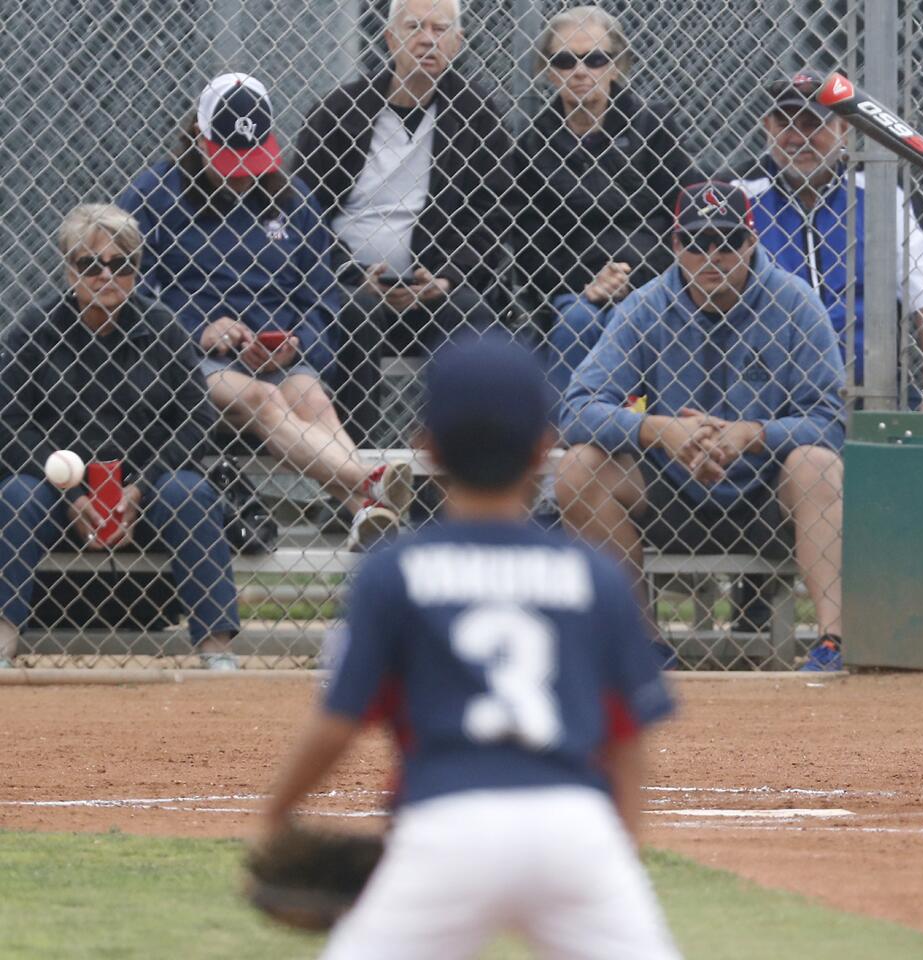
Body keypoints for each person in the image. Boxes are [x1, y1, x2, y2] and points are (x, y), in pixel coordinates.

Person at [259, 335, 680, 958]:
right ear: (544, 448)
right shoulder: (595, 575)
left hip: (443, 826)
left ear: (426, 447)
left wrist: (275, 814)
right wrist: (620, 858)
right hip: (573, 830)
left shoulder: (392, 572)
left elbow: (338, 725)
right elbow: (627, 741)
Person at [554, 182, 848, 672]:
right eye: (695, 242)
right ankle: (642, 648)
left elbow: (831, 422)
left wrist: (751, 435)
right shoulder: (646, 305)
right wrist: (661, 431)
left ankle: (833, 643)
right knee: (579, 469)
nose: (712, 255)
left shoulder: (796, 303)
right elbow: (577, 408)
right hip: (671, 490)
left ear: (752, 242)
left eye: (728, 241)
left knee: (817, 464)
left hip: (766, 496)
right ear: (674, 246)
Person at [121, 73, 412, 551]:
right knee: (262, 401)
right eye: (227, 162)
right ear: (198, 135)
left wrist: (297, 342)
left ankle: (366, 511)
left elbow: (321, 294)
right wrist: (198, 329)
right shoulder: (155, 194)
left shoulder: (293, 198)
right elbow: (134, 291)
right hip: (193, 359)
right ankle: (367, 481)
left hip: (277, 351)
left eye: (250, 162)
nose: (240, 176)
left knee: (313, 399)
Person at [0, 204, 240, 669]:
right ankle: (1, 642)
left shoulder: (163, 329)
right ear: (69, 270)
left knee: (190, 493)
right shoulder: (34, 332)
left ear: (136, 269)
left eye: (122, 264)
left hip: (143, 490)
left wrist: (140, 487)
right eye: (90, 264)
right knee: (15, 495)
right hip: (56, 491)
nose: (105, 275)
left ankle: (217, 653)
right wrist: (65, 491)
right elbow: (5, 422)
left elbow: (196, 419)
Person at [294, 0, 511, 447]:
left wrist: (448, 275)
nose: (426, 39)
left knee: (472, 315)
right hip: (353, 287)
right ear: (391, 38)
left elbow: (490, 214)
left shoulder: (479, 116)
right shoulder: (340, 111)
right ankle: (359, 476)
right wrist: (348, 273)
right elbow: (303, 210)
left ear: (458, 43)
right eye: (413, 27)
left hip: (434, 285)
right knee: (356, 314)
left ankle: (453, 473)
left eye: (439, 28)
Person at [725, 71, 923, 410]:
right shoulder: (739, 193)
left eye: (812, 124)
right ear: (767, 127)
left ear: (842, 129)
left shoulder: (880, 190)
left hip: (865, 387)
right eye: (785, 124)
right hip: (764, 390)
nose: (798, 138)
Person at [509, 6, 701, 328]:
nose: (580, 71)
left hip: (656, 280)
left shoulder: (653, 126)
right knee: (578, 321)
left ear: (616, 67)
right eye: (565, 61)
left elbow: (685, 215)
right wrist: (590, 282)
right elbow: (532, 246)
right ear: (550, 71)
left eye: (595, 59)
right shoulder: (533, 147)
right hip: (577, 290)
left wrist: (633, 276)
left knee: (657, 318)